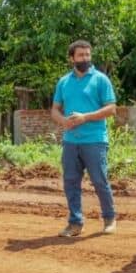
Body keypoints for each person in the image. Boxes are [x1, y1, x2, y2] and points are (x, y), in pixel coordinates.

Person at [51, 39, 118, 237]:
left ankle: (109, 219)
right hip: (71, 141)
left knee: (99, 180)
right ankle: (75, 223)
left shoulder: (100, 79)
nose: (85, 58)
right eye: (80, 55)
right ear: (72, 58)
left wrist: (85, 117)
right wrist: (63, 121)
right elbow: (54, 110)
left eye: (88, 55)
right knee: (71, 182)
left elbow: (112, 108)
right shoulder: (64, 82)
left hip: (95, 140)